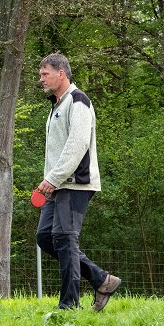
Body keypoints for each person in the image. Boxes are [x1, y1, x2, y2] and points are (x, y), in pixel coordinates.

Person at [35, 53, 120, 311]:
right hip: (58, 185)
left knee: (65, 238)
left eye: (44, 74)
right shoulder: (57, 105)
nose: (41, 79)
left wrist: (53, 178)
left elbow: (77, 144)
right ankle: (101, 279)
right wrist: (51, 181)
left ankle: (68, 306)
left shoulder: (78, 100)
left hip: (76, 184)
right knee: (45, 237)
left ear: (61, 73)